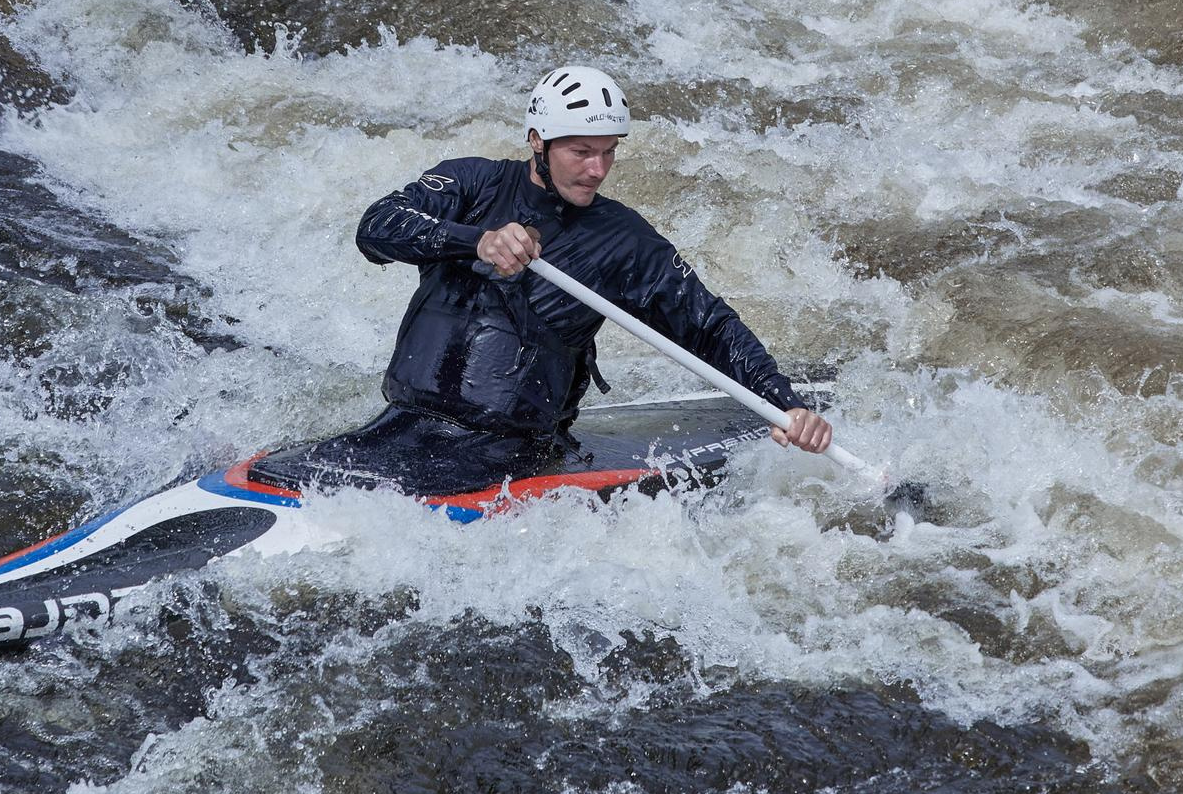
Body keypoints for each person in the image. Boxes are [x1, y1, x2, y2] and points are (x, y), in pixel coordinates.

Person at [346, 65, 831, 484]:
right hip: (401, 423)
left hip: (509, 452)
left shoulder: (624, 240)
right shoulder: (472, 183)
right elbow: (377, 228)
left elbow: (709, 326)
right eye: (581, 151)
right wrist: (476, 240)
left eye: (609, 151)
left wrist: (784, 403)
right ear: (538, 141)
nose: (597, 169)